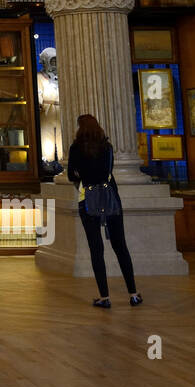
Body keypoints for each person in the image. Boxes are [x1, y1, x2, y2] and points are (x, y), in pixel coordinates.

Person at [66, 114, 142, 308]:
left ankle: (104, 297)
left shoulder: (76, 148)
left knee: (96, 249)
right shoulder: (106, 147)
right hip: (110, 199)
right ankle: (133, 294)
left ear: (79, 128)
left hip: (87, 200)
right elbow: (106, 173)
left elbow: (70, 175)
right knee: (120, 246)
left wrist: (82, 174)